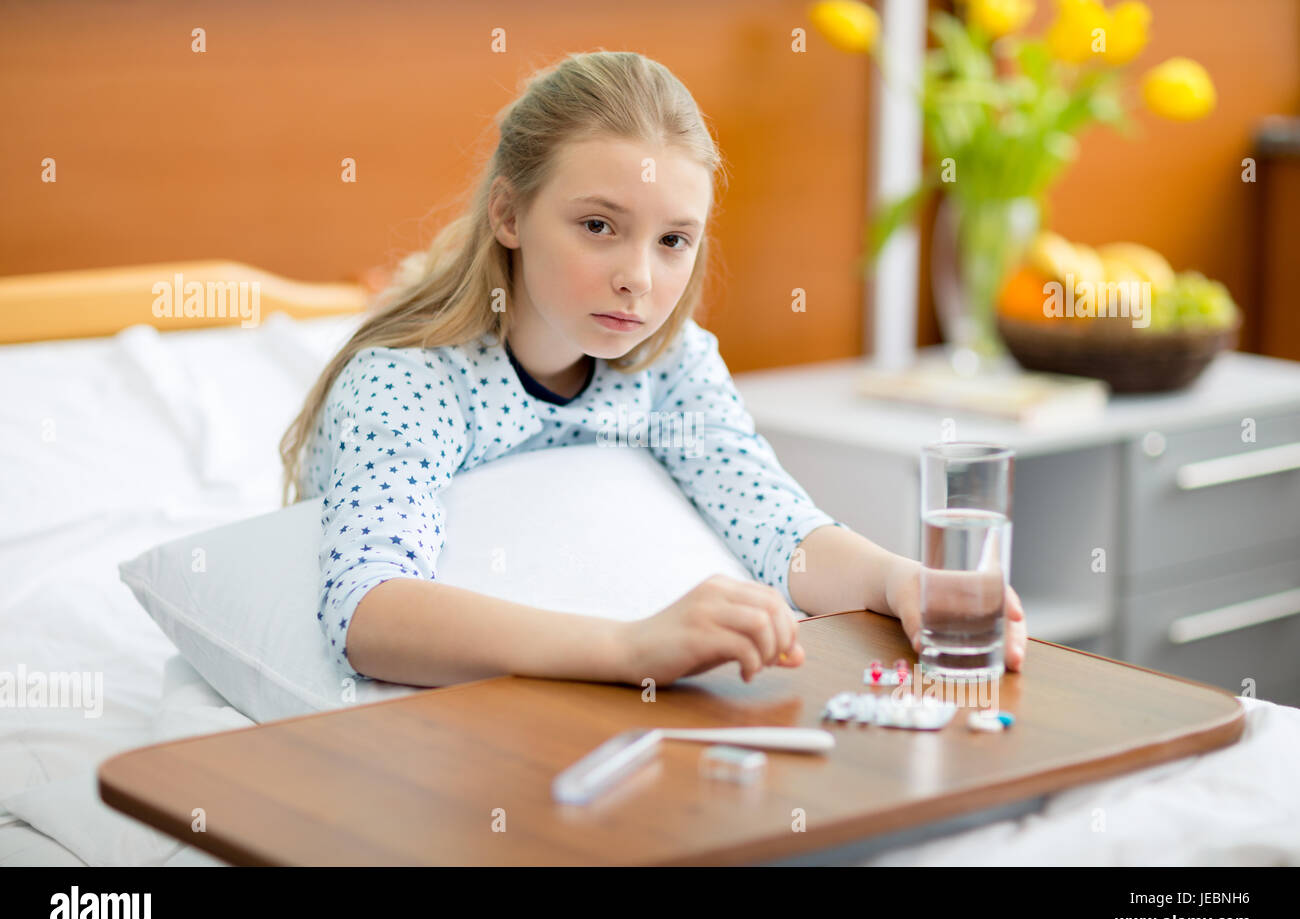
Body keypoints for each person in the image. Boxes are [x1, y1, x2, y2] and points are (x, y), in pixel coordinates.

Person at [278, 50, 1028, 689]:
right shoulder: (408, 384)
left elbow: (775, 528)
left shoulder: (673, 365)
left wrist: (898, 581)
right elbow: (369, 613)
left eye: (673, 240)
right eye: (598, 226)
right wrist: (630, 648)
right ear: (509, 215)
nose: (638, 277)